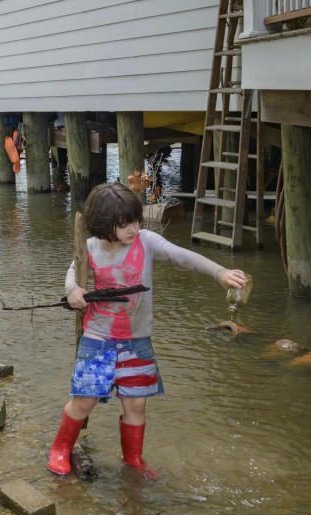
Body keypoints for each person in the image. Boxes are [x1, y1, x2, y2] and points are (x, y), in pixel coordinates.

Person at [49, 182, 248, 479]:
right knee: (85, 398)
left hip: (137, 340)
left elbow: (183, 256)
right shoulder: (89, 247)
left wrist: (220, 273)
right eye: (124, 224)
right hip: (98, 337)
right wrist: (73, 291)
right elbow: (72, 275)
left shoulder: (147, 241)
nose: (133, 229)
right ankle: (60, 449)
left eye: (136, 220)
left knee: (137, 403)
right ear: (103, 225)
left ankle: (133, 460)